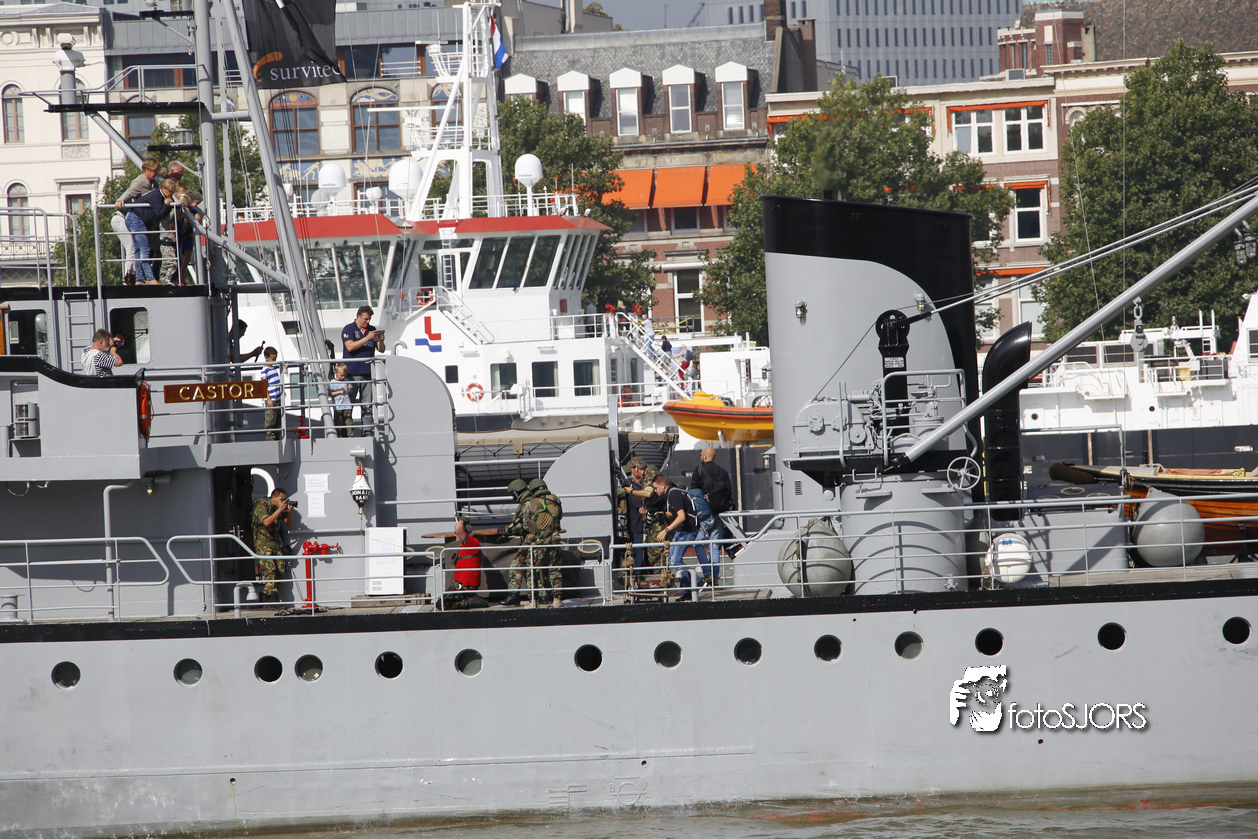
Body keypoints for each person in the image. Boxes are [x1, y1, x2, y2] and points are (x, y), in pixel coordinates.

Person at [652, 473, 712, 602]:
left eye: (655, 488)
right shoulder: (672, 493)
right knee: (671, 559)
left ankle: (695, 583)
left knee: (675, 560)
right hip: (683, 530)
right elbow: (677, 512)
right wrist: (663, 514)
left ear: (662, 485)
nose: (655, 491)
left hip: (687, 530)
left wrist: (665, 530)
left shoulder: (673, 494)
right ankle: (689, 589)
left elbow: (681, 517)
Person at [111, 157, 160, 285]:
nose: (156, 173)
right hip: (123, 218)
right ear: (147, 170)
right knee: (132, 247)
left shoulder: (152, 182)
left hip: (133, 219)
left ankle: (137, 277)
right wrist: (120, 200)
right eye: (154, 171)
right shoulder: (140, 181)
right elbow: (130, 192)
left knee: (138, 248)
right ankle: (128, 280)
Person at [124, 178, 177, 284]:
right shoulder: (156, 196)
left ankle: (140, 278)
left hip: (134, 219)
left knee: (139, 251)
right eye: (170, 191)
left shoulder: (157, 195)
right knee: (145, 249)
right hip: (136, 220)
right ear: (163, 189)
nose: (171, 194)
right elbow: (159, 214)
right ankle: (149, 278)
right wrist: (166, 205)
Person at [341, 305, 383, 434]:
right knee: (349, 404)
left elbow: (381, 349)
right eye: (366, 319)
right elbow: (350, 347)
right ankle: (347, 432)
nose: (368, 321)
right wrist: (367, 338)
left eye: (369, 319)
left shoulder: (372, 330)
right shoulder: (349, 328)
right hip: (352, 373)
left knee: (367, 405)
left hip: (368, 373)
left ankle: (367, 431)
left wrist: (380, 341)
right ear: (358, 317)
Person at [252, 488, 294, 600]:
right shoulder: (262, 506)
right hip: (263, 544)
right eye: (281, 499)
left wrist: (289, 512)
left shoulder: (277, 508)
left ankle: (267, 595)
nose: (283, 502)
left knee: (281, 570)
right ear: (274, 498)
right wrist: (279, 510)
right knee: (270, 570)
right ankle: (272, 597)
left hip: (275, 544)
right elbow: (266, 522)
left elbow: (288, 523)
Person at [690, 446, 734, 553]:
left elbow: (694, 491)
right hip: (721, 511)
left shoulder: (699, 470)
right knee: (715, 544)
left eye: (700, 455)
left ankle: (707, 563)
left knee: (698, 543)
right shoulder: (723, 471)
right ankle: (715, 561)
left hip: (705, 514)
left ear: (705, 457)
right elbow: (729, 491)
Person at [621, 457, 654, 581]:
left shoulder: (635, 489)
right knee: (638, 550)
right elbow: (641, 509)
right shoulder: (634, 490)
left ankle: (638, 573)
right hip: (637, 525)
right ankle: (637, 574)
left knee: (638, 550)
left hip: (635, 524)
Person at [443, 517, 484, 610]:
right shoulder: (465, 545)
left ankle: (470, 603)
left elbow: (458, 528)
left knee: (442, 604)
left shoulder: (471, 543)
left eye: (456, 533)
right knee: (443, 602)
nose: (455, 534)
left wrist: (462, 519)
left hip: (467, 586)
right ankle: (469, 601)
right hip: (460, 585)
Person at [328, 362, 355, 437]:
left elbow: (350, 392)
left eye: (345, 375)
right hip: (338, 406)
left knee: (349, 423)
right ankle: (337, 436)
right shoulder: (333, 382)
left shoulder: (346, 380)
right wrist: (339, 392)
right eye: (341, 375)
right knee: (337, 423)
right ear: (335, 373)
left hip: (347, 406)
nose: (343, 377)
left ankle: (350, 436)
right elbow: (330, 393)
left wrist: (351, 389)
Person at [262, 347, 282, 440]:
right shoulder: (265, 370)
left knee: (277, 421)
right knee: (270, 421)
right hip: (271, 399)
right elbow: (263, 385)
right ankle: (270, 440)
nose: (274, 361)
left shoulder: (273, 368)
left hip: (277, 398)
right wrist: (268, 399)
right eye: (273, 359)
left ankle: (277, 438)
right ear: (266, 357)